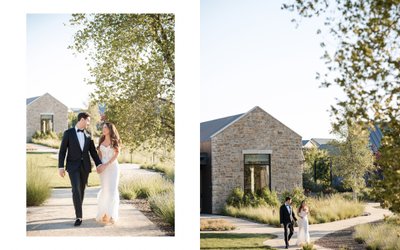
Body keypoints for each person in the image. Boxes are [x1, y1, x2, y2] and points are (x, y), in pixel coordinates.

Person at [58, 112, 103, 226]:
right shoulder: (68, 133)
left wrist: (99, 164)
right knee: (76, 189)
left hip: (85, 167)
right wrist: (60, 167)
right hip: (72, 167)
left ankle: (78, 210)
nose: (89, 123)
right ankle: (79, 216)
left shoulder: (88, 134)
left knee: (81, 190)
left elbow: (92, 151)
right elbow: (62, 151)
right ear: (82, 120)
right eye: (88, 120)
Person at [95, 122, 121, 224]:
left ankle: (112, 214)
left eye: (105, 127)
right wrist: (99, 166)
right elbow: (100, 155)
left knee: (112, 190)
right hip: (103, 169)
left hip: (113, 167)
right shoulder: (101, 140)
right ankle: (104, 213)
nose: (103, 129)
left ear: (110, 129)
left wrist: (107, 164)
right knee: (105, 190)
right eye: (103, 127)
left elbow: (116, 154)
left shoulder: (115, 141)